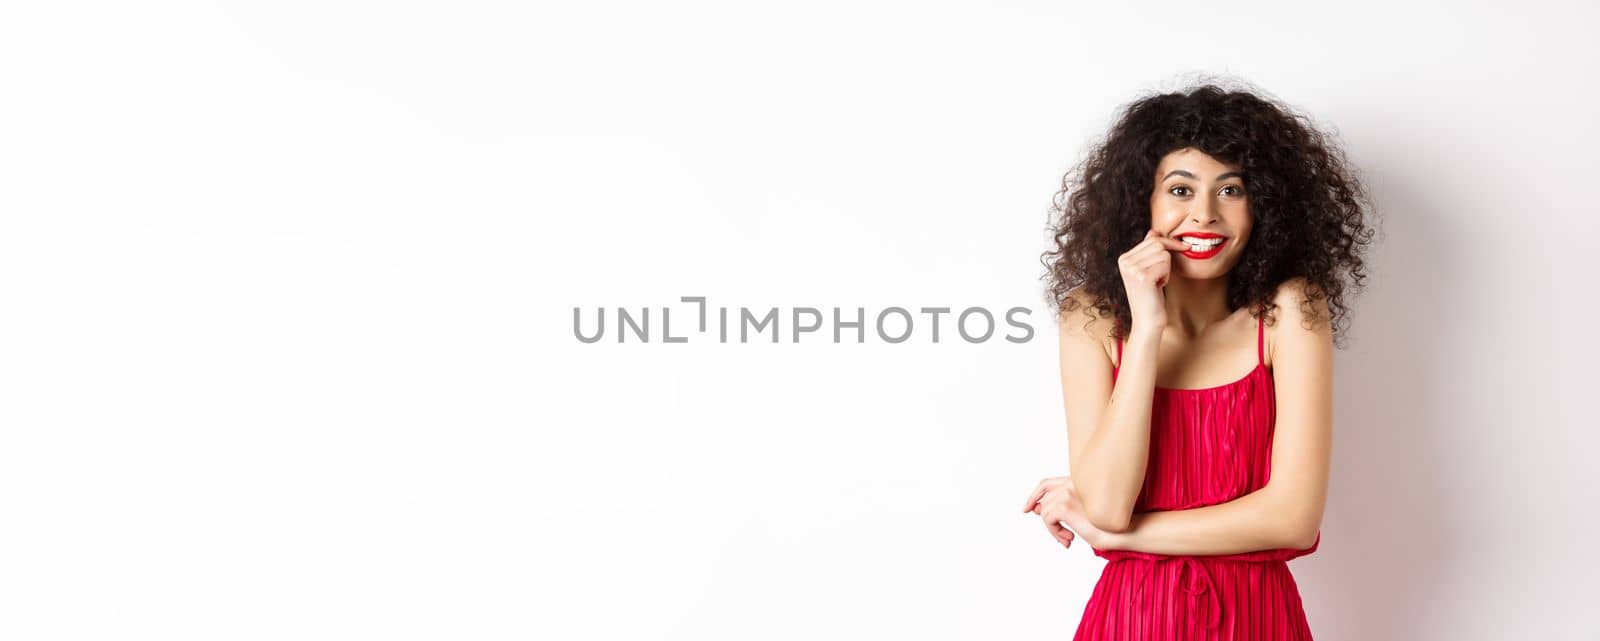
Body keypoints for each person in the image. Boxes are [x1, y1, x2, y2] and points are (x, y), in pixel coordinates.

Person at [1020, 81, 1377, 640]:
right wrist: (1147, 330)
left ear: (1263, 204)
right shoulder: (1090, 319)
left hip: (1259, 622)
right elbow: (1109, 505)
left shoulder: (1289, 310)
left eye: (1230, 190)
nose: (1205, 215)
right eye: (1180, 191)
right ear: (1143, 200)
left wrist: (1122, 538)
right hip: (1133, 621)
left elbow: (1293, 519)